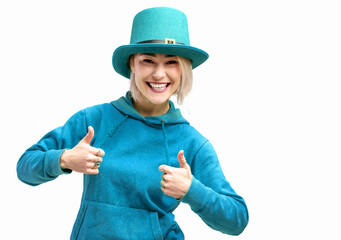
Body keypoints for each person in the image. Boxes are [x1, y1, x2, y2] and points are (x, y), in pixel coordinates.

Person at [17, 7, 249, 239]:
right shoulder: (94, 120)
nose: (159, 74)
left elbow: (237, 219)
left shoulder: (193, 144)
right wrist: (64, 159)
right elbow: (25, 166)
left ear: (184, 69)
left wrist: (192, 190)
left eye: (171, 62)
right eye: (148, 60)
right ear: (132, 64)